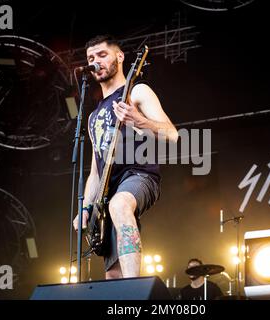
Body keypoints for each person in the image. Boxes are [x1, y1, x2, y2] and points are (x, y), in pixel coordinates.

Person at [73, 35, 178, 279]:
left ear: (119, 57)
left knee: (119, 205)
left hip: (139, 175)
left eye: (101, 55)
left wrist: (139, 120)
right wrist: (86, 207)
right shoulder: (92, 117)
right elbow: (95, 172)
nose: (95, 61)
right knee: (112, 275)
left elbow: (172, 134)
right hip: (107, 192)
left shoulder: (137, 91)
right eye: (90, 58)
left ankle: (135, 291)